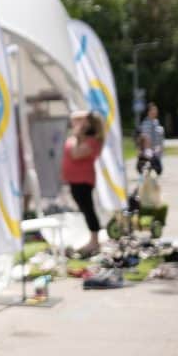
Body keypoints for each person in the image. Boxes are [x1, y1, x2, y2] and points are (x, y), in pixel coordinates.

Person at [62, 110, 105, 257]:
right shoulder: (83, 138)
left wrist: (76, 135)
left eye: (85, 122)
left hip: (83, 180)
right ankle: (93, 239)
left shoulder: (92, 141)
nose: (80, 125)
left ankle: (94, 241)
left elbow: (75, 153)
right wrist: (85, 116)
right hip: (75, 180)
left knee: (88, 209)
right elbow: (73, 116)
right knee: (85, 208)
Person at [136, 102, 165, 176]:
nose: (155, 112)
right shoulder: (145, 123)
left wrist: (160, 148)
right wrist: (142, 150)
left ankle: (150, 166)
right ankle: (145, 165)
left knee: (159, 170)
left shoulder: (157, 122)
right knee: (151, 162)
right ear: (148, 112)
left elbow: (160, 139)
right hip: (148, 150)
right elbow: (144, 138)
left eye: (156, 110)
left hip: (156, 150)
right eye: (153, 110)